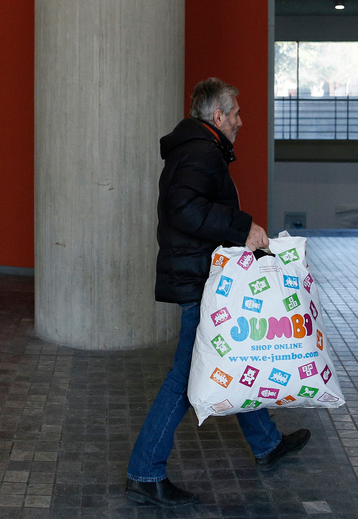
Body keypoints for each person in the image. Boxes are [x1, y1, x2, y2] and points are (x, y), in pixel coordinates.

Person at [125, 78, 311, 508]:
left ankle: (266, 444)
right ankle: (144, 471)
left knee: (235, 356)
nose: (241, 122)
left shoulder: (196, 149)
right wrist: (241, 226)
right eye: (237, 114)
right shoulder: (201, 152)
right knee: (186, 378)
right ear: (218, 116)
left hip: (199, 275)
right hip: (199, 281)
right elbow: (184, 208)